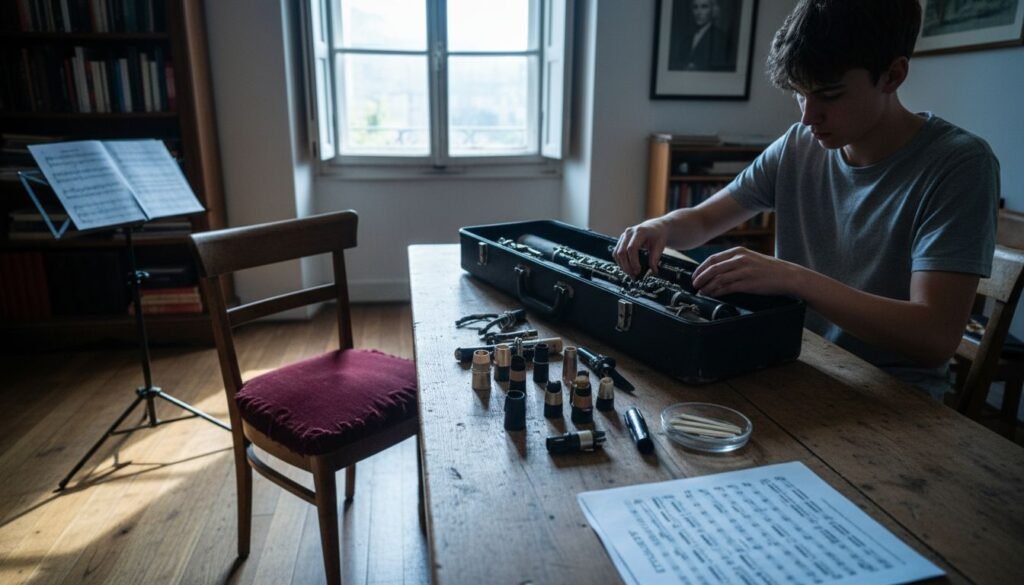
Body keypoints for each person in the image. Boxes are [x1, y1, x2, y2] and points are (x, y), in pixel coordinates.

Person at [615, 0, 1000, 398]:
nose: (807, 116)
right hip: (798, 364)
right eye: (799, 93)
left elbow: (934, 337)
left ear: (893, 75)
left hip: (894, 395)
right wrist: (659, 225)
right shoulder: (799, 145)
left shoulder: (960, 164)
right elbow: (701, 221)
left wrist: (793, 278)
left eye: (828, 94)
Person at [669, 0, 733, 71]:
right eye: (695, 7)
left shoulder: (721, 38)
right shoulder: (686, 40)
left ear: (713, 10)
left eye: (704, 7)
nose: (698, 13)